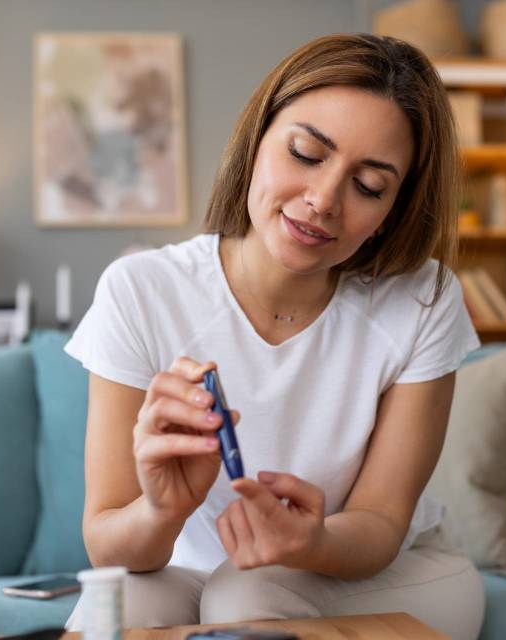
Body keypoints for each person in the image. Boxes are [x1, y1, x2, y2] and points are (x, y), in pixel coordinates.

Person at [64, 33, 484, 640]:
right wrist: (164, 508)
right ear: (258, 138)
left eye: (369, 186)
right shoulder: (142, 290)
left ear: (394, 207)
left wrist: (310, 540)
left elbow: (379, 522)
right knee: (118, 607)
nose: (322, 201)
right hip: (196, 574)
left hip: (376, 569)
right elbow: (109, 546)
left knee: (248, 593)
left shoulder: (421, 299)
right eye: (307, 153)